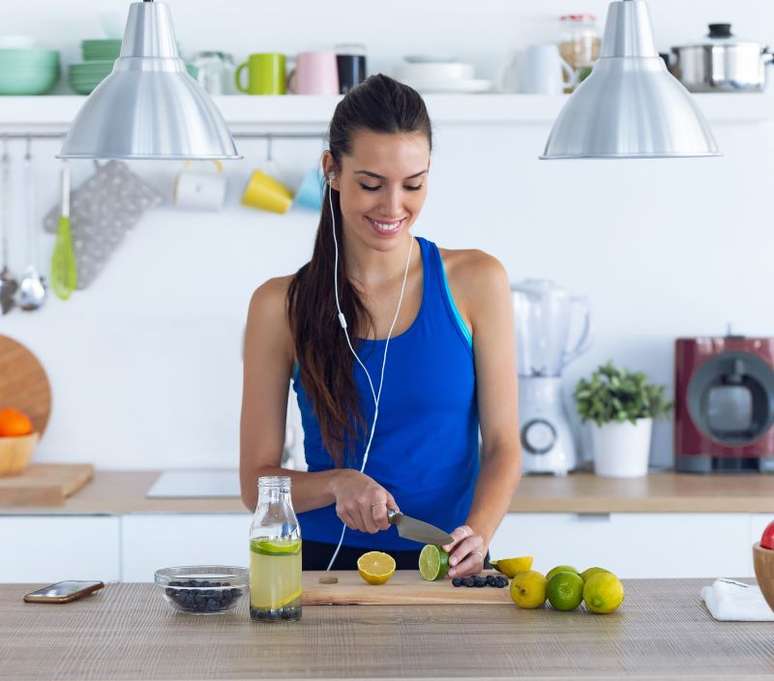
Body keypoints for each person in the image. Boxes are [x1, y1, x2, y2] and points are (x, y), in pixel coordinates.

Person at [240, 74, 520, 579]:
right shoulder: (278, 305)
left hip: (450, 563)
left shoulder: (478, 281)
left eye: (413, 184)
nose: (394, 207)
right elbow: (255, 485)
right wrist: (336, 483)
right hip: (325, 570)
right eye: (371, 184)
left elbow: (503, 445)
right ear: (332, 170)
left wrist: (478, 533)